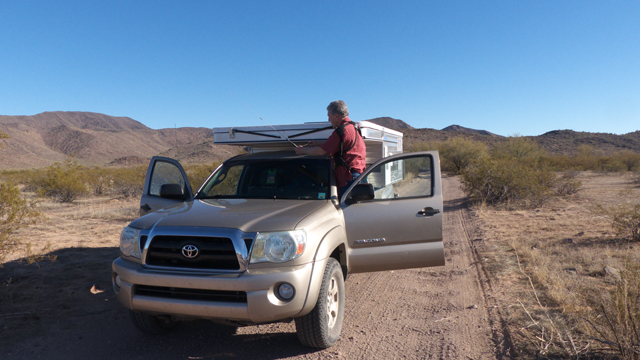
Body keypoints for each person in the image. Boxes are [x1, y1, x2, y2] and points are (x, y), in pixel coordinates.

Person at [295, 100, 366, 194]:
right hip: (360, 176)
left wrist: (301, 150)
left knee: (344, 207)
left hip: (348, 179)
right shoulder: (354, 127)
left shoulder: (341, 131)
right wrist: (318, 143)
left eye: (329, 116)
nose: (329, 120)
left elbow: (321, 152)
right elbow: (339, 144)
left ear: (336, 116)